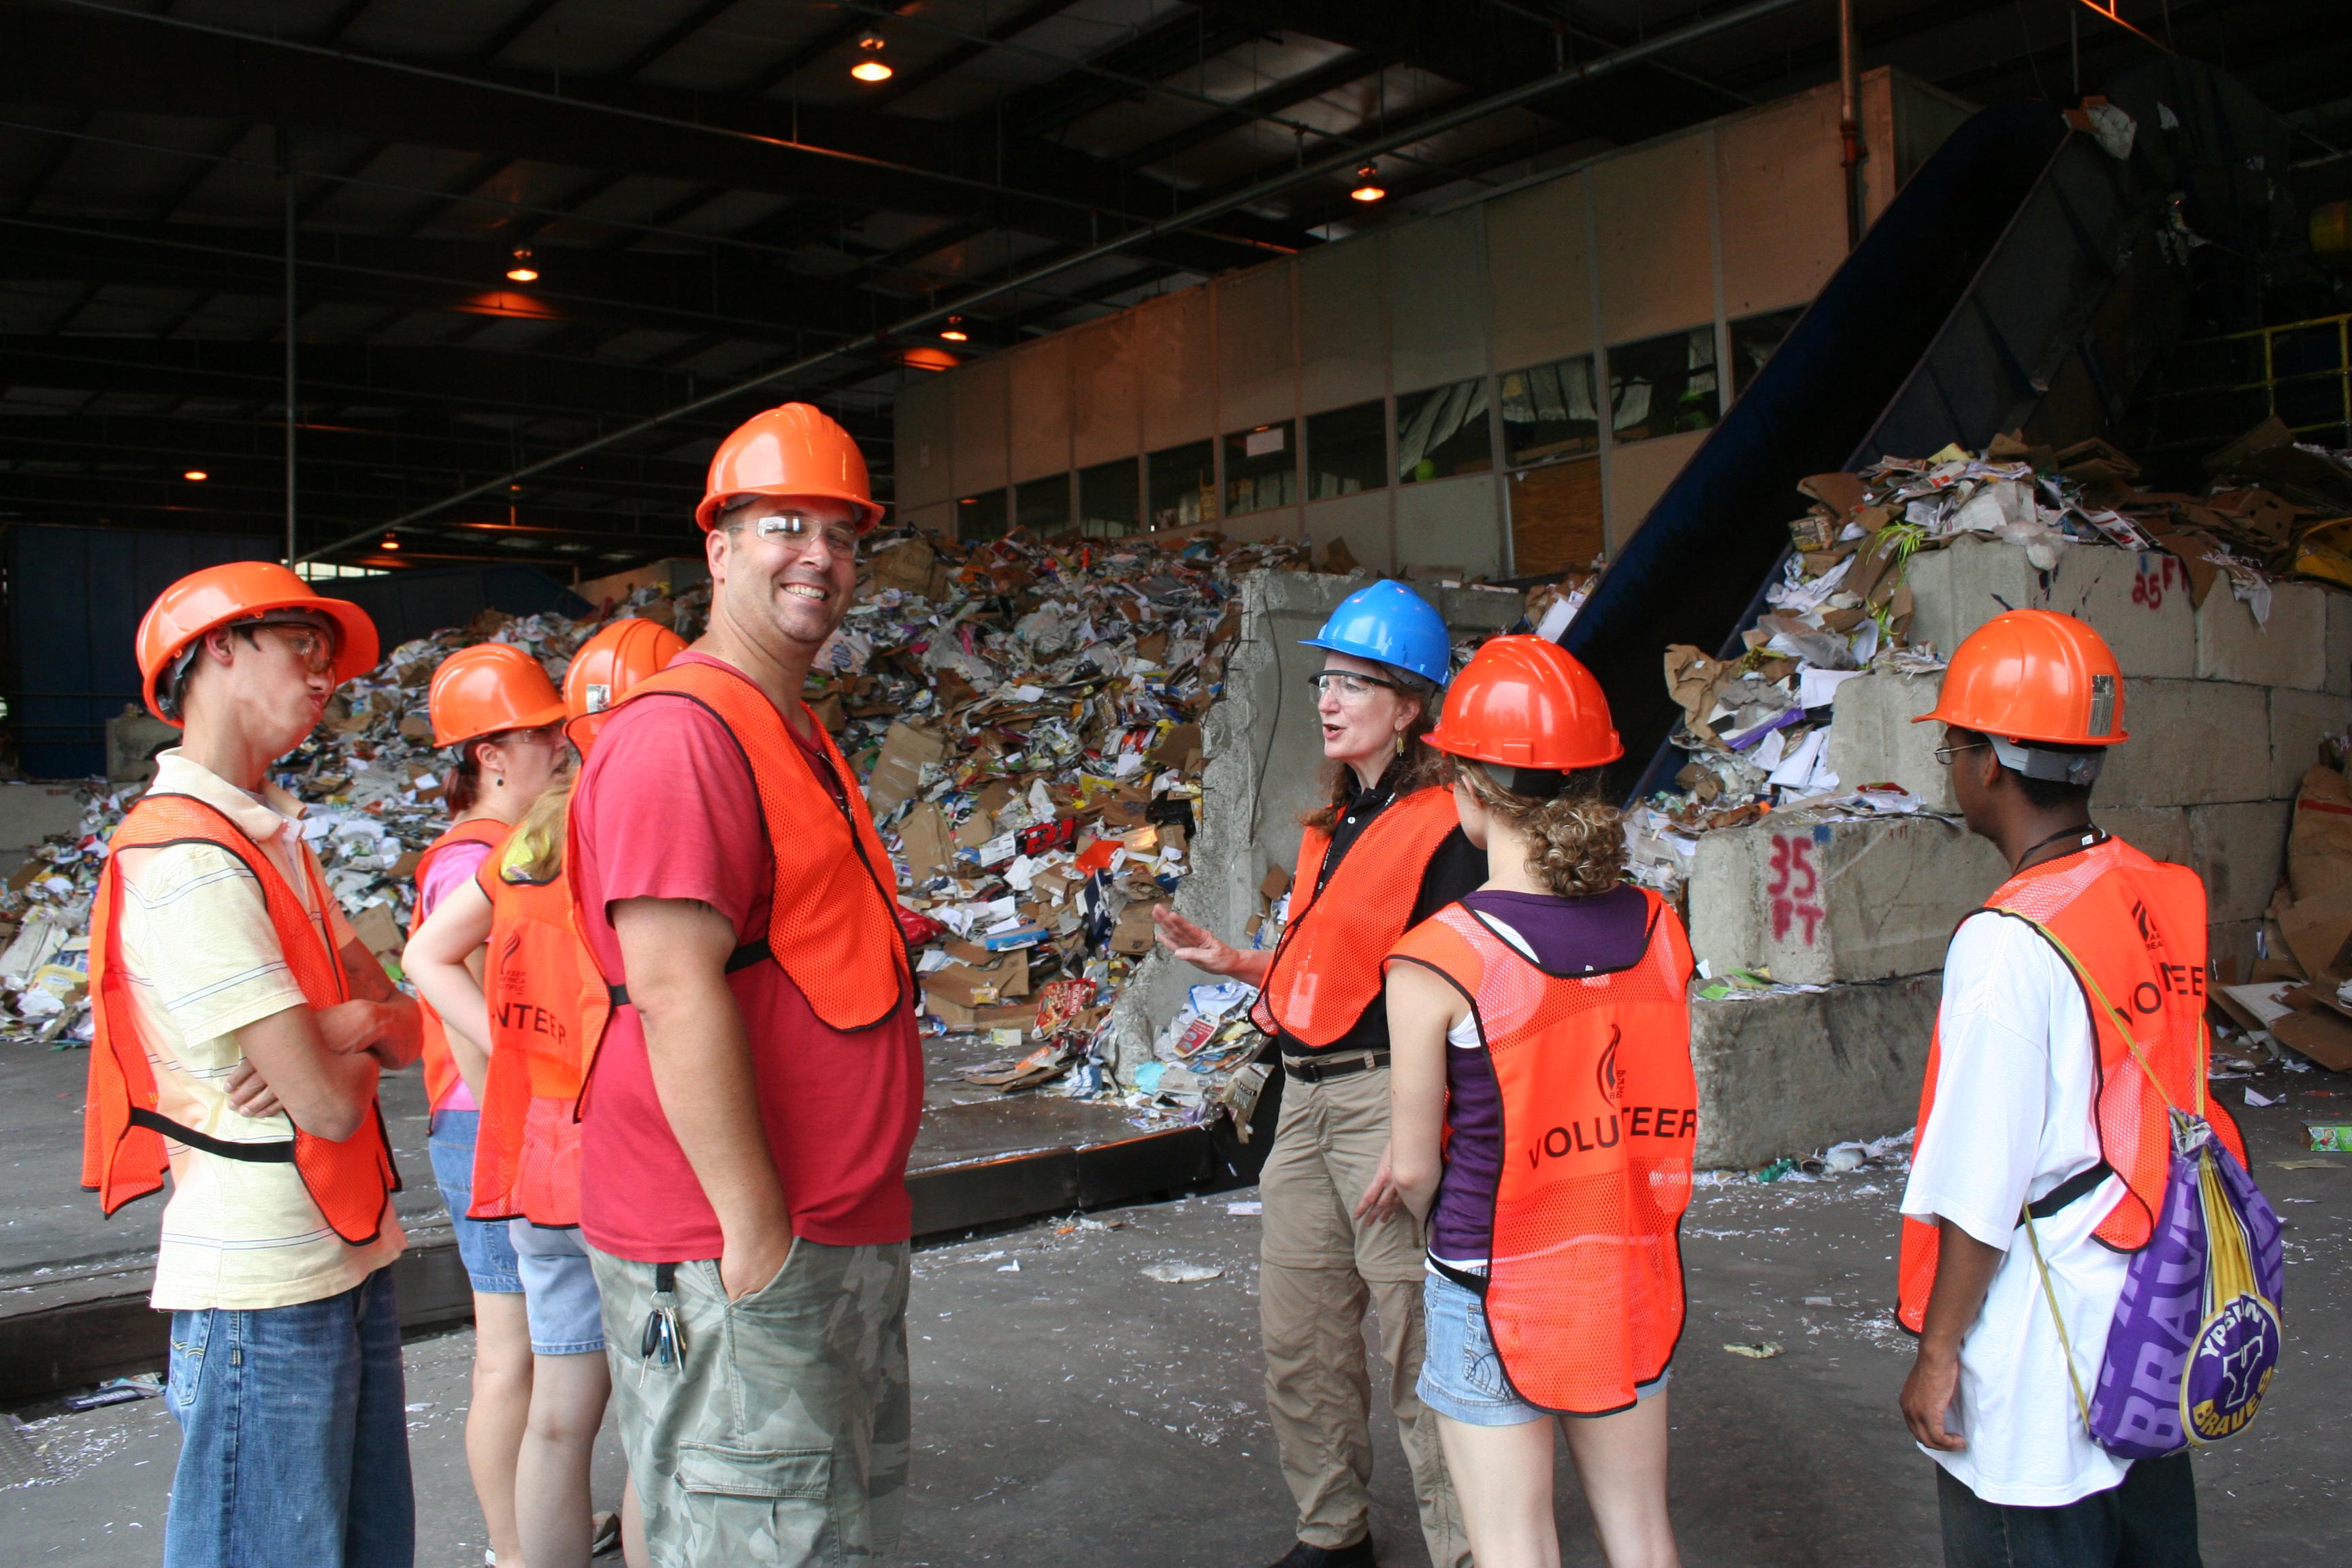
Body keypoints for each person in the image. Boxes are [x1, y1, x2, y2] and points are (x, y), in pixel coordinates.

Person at [567, 404, 923, 1567]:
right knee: (752, 1534)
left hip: (824, 1228)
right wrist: (759, 1242)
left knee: (810, 1528)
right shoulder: (682, 735)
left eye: (842, 534)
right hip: (741, 1247)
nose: (819, 556)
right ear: (718, 549)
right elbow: (672, 991)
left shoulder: (789, 726)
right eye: (784, 526)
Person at [82, 561, 421, 1568]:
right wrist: (343, 1043)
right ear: (220, 650)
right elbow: (321, 1107)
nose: (327, 680)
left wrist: (342, 1024)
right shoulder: (188, 861)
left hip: (346, 1252)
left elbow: (406, 1029)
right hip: (262, 1283)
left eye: (332, 663)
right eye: (304, 650)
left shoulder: (274, 839)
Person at [1895, 609, 2249, 1567]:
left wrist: (1938, 1356)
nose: (1955, 771)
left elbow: (1981, 1188)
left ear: (1990, 767)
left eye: (1954, 748)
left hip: (2037, 1375)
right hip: (2150, 1333)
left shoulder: (2007, 945)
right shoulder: (2152, 889)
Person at [1154, 580, 1479, 1568]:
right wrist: (1242, 964)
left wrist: (1425, 1133)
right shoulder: (1331, 830)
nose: (1329, 699)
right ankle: (1332, 1533)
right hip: (1306, 1098)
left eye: (1355, 684)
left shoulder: (1446, 829)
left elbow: (1454, 992)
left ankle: (1471, 1546)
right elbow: (1341, 966)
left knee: (1416, 1343)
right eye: (1326, 680)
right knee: (1301, 1338)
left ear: (1412, 706)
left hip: (1389, 1097)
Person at [1384, 634, 1695, 1568]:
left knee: (1515, 1545)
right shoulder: (1659, 929)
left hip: (1490, 1274)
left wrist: (1421, 1207)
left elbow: (1411, 1168)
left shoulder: (1440, 954)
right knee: (1642, 1534)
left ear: (1467, 790)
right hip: (1625, 1261)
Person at [408, 619, 681, 1568]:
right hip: (631, 1161)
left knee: (558, 1417)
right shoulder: (647, 821)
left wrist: (525, 1067)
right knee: (657, 1424)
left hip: (541, 1167)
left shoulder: (534, 832)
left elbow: (427, 957)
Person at [415, 641, 570, 1568]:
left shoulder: (509, 847)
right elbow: (448, 984)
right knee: (509, 1352)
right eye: (542, 733)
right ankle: (516, 1549)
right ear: (489, 755)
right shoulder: (470, 861)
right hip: (484, 1125)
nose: (560, 745)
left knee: (526, 1349)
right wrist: (525, 1085)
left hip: (485, 1119)